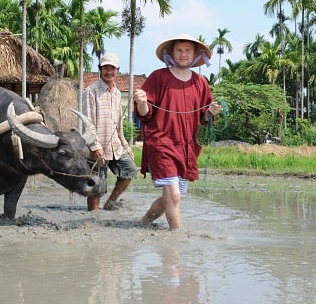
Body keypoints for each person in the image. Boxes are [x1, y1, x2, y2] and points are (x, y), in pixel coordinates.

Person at [134, 34, 222, 229]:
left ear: (195, 55)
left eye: (188, 50)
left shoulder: (201, 83)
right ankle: (177, 245)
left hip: (187, 147)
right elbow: (145, 113)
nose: (183, 54)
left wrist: (211, 111)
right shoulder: (159, 77)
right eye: (179, 50)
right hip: (162, 143)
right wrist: (141, 102)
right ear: (171, 54)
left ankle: (143, 223)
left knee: (173, 197)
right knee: (173, 195)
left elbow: (204, 118)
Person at [82, 53, 138, 211]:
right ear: (100, 69)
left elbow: (118, 125)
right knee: (96, 187)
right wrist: (95, 147)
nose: (109, 71)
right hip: (97, 149)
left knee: (130, 171)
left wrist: (126, 147)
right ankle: (93, 217)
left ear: (117, 70)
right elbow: (88, 122)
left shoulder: (118, 94)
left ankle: (110, 203)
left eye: (112, 68)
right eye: (105, 68)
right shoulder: (91, 91)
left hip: (115, 146)